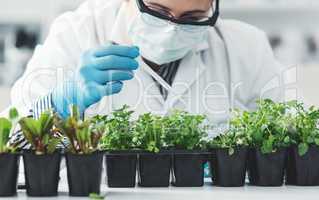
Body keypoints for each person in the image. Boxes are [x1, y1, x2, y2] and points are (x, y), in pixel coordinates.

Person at [6, 0, 286, 144]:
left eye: (193, 18)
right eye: (157, 11)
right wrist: (58, 104)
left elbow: (288, 148)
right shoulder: (76, 33)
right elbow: (9, 146)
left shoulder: (246, 47)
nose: (172, 29)